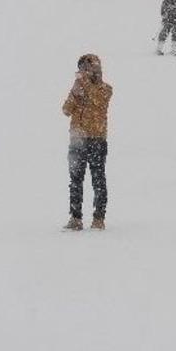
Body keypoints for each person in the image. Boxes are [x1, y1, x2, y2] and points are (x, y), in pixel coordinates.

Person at [61, 54, 113, 231]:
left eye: (86, 69)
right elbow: (66, 110)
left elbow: (99, 102)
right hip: (77, 140)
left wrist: (84, 86)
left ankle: (99, 218)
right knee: (75, 180)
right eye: (81, 69)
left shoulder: (105, 89)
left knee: (98, 179)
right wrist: (75, 93)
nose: (82, 73)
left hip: (97, 140)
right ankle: (75, 218)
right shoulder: (78, 88)